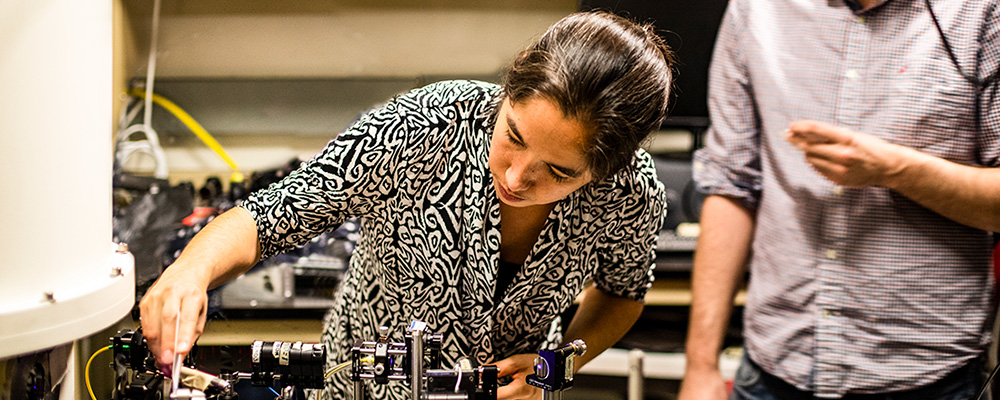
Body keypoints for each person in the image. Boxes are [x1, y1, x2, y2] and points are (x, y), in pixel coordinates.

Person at [138, 11, 675, 400]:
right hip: (363, 390)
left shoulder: (630, 194)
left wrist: (559, 363)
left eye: (558, 172)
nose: (515, 176)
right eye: (512, 135)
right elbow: (275, 213)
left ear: (607, 168)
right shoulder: (424, 126)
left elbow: (622, 295)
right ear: (509, 89)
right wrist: (190, 269)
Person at [679, 0, 999, 399]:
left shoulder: (981, 11)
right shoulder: (755, 9)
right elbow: (730, 185)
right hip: (770, 372)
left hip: (929, 377)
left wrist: (895, 169)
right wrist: (700, 365)